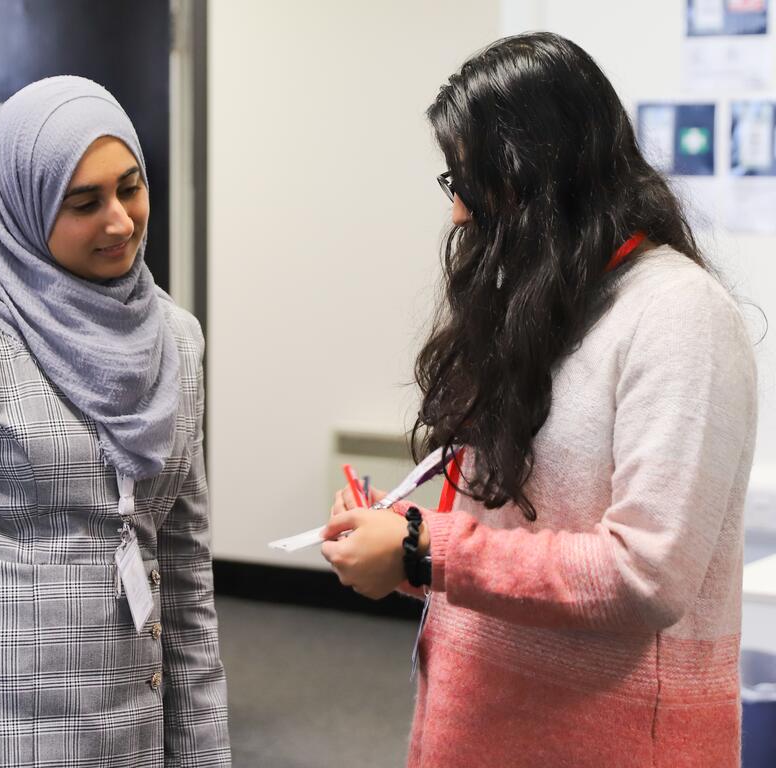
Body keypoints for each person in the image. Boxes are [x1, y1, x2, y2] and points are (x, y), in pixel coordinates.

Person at [321, 32, 757, 768]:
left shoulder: (680, 315)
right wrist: (403, 539)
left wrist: (428, 552)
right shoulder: (545, 299)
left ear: (540, 173)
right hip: (479, 726)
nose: (458, 214)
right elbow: (513, 525)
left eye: (469, 181)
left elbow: (644, 578)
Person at [0, 76, 230, 767]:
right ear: (23, 207)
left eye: (131, 187)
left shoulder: (176, 338)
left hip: (132, 725)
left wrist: (204, 752)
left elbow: (184, 571)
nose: (120, 220)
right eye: (84, 202)